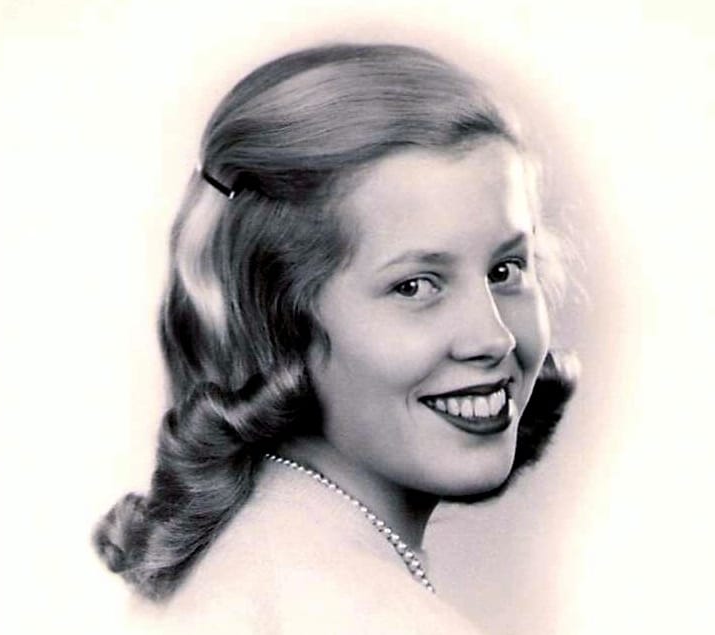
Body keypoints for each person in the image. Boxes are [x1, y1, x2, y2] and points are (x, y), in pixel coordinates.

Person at [93, 43, 578, 634]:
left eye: (505, 270)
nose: (493, 338)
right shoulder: (374, 614)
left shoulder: (238, 547)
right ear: (281, 316)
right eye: (415, 286)